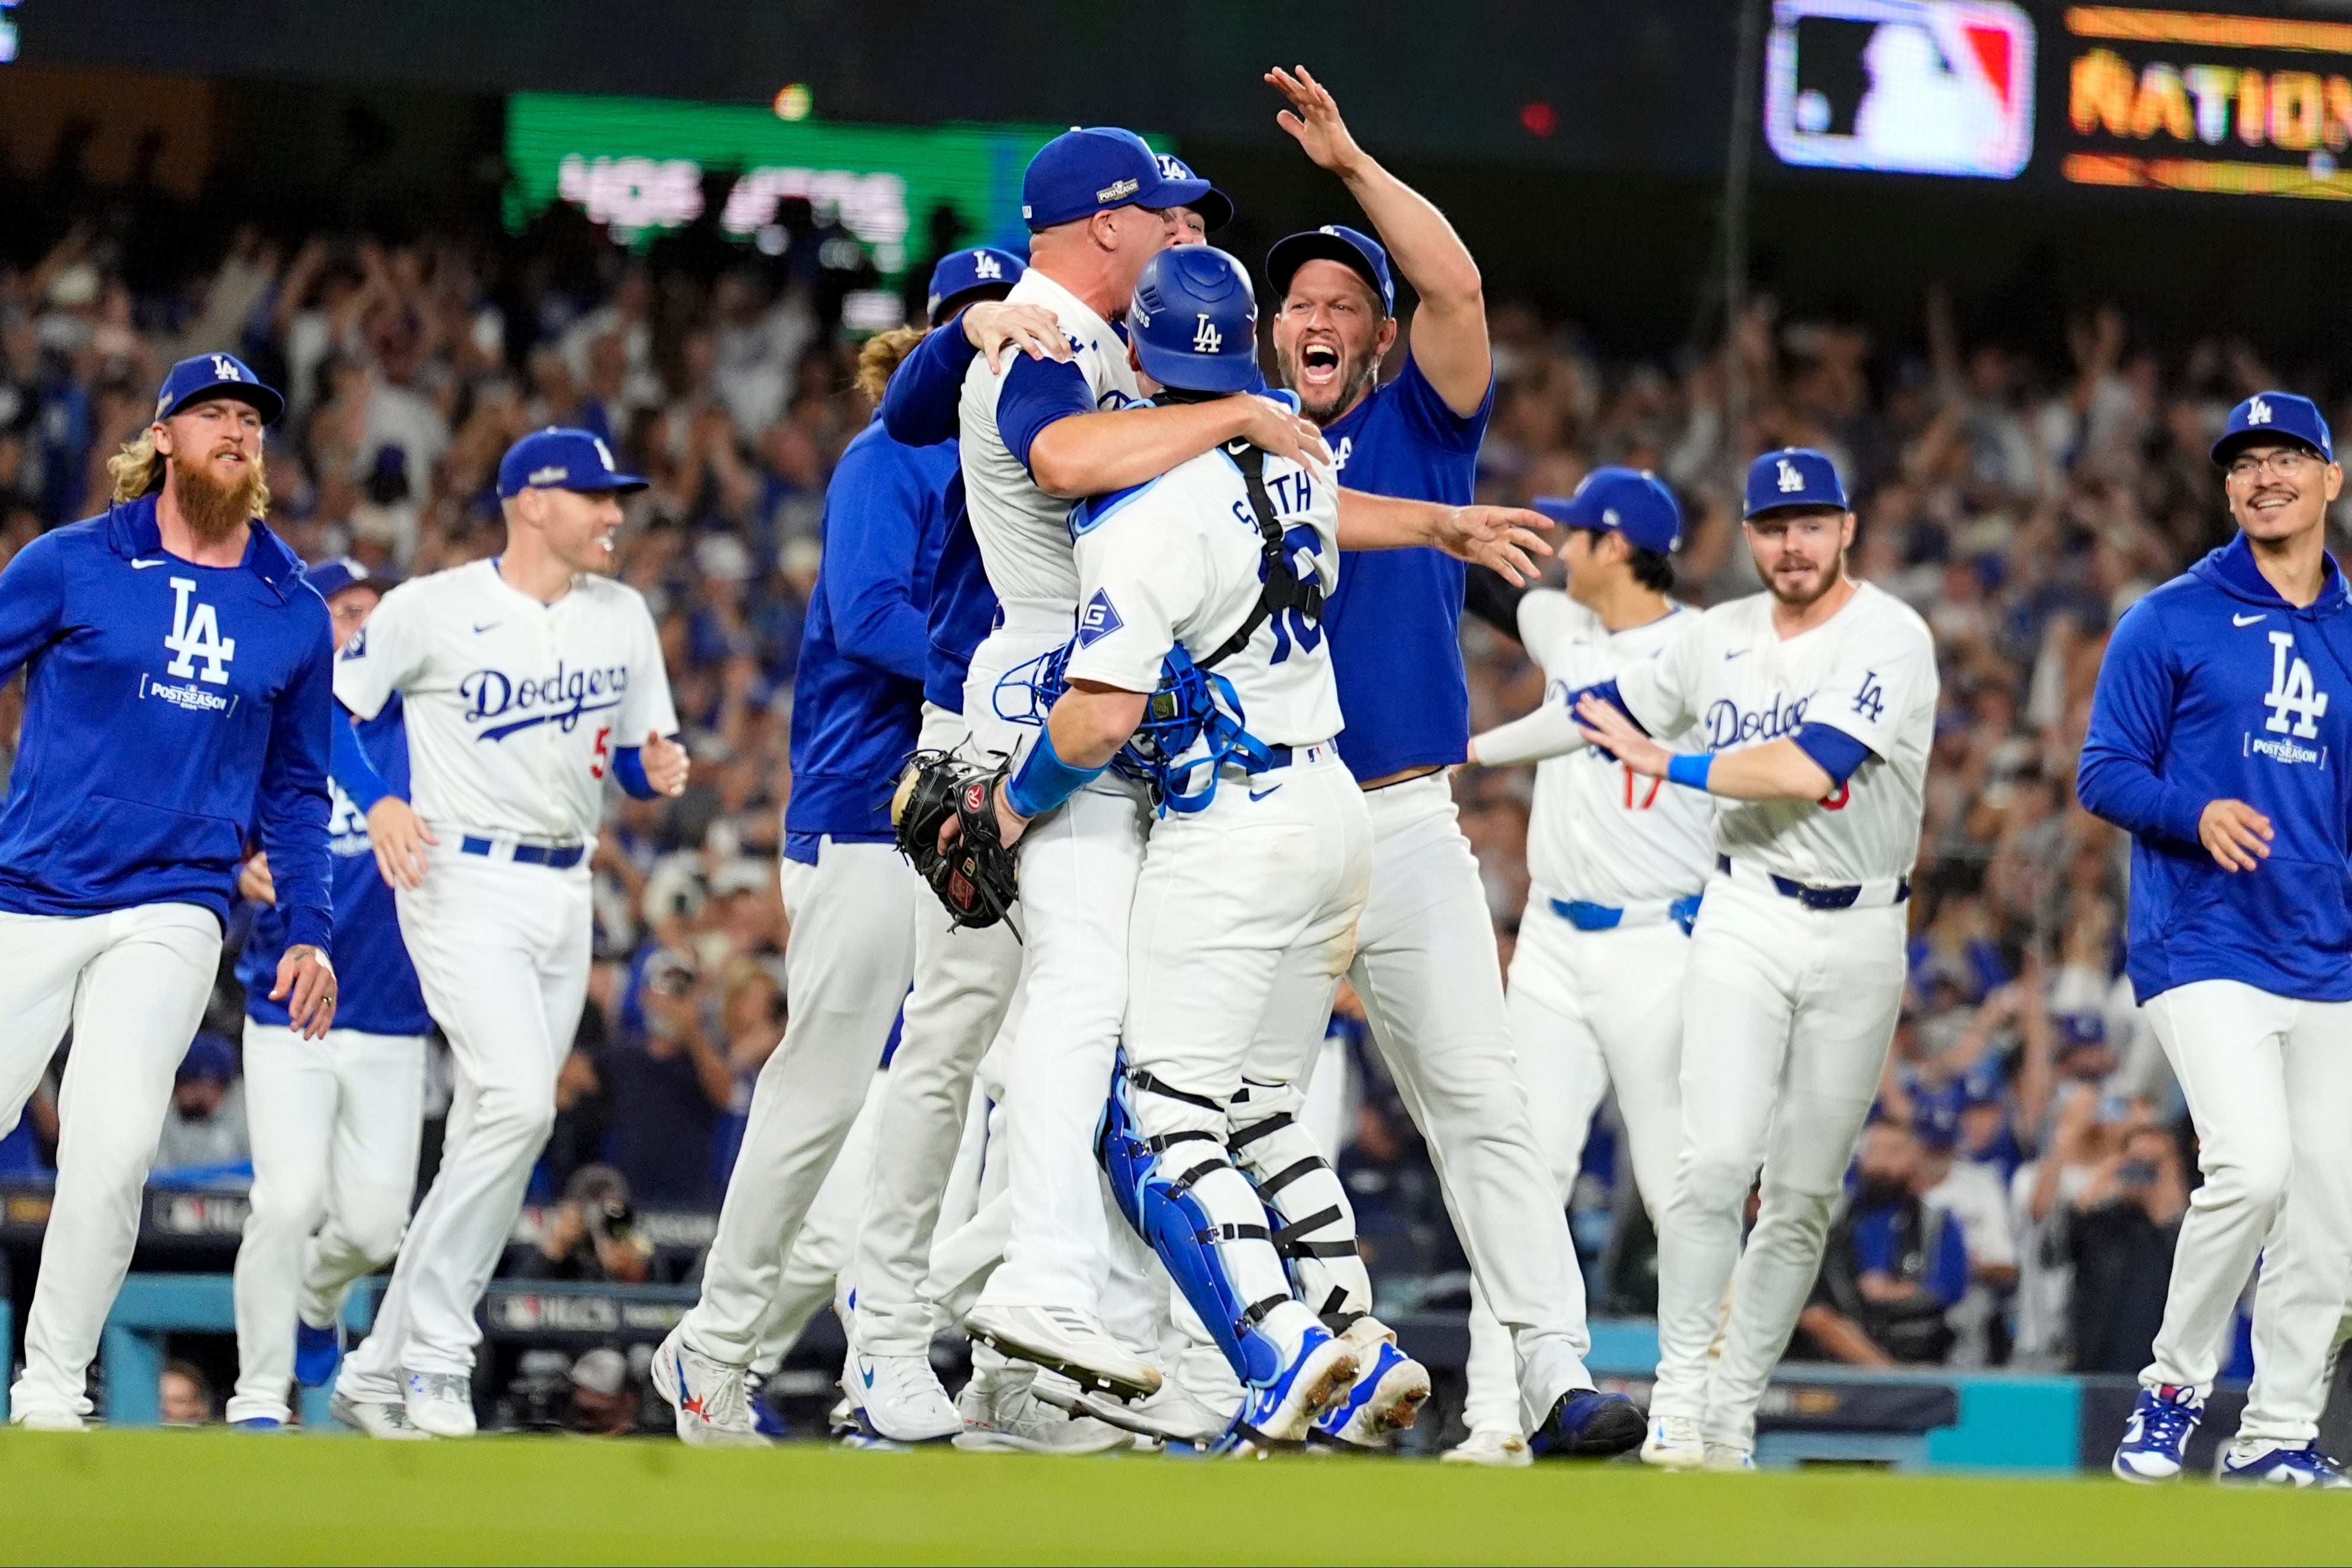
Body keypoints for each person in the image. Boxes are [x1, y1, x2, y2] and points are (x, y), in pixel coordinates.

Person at [1256, 64, 1639, 1458]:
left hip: (1408, 814)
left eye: (1348, 306)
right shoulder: (1230, 440)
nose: (1323, 319)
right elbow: (1302, 502)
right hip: (1261, 814)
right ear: (1267, 331)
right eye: (1300, 303)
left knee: (1483, 1103)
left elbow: (1460, 292)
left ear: (1376, 336)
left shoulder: (1420, 420)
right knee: (1238, 1104)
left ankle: (1552, 1376)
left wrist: (1353, 170)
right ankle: (1246, 1368)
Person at [1021, 243, 1427, 1449]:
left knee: (1159, 1119)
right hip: (1332, 804)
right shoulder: (1294, 454)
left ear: (1139, 357)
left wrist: (1013, 802)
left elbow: (1096, 716)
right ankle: (1358, 1329)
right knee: (1257, 1103)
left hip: (1237, 823)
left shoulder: (1143, 507)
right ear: (1245, 344)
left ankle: (1287, 1349)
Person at [653, 249, 1025, 1447]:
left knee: (962, 1097)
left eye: (1002, 318)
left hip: (973, 811)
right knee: (820, 1093)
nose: (988, 335)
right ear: (931, 338)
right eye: (965, 323)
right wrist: (1014, 679)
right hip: (869, 810)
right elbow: (867, 618)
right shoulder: (891, 455)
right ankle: (714, 1343)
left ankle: (901, 1348)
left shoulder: (1023, 466)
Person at [1570, 446, 1937, 1470]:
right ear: (1749, 537)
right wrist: (1454, 746)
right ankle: (1684, 1393)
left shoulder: (1891, 636)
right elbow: (1599, 713)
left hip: (1863, 930)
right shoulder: (1717, 637)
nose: (1793, 544)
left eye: (1812, 523)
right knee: (1716, 1161)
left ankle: (1735, 1400)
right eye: (1775, 527)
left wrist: (1672, 762)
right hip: (1745, 912)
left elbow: (1809, 764)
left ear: (1847, 529)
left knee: (1805, 1193)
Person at [327, 427, 687, 1440]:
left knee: (493, 1128)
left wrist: (649, 769)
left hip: (565, 889)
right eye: (595, 495)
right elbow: (332, 706)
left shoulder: (622, 614)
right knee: (524, 1103)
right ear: (533, 500)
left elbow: (626, 751)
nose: (615, 512)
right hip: (459, 876)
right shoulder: (431, 606)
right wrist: (379, 801)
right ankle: (440, 1353)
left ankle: (378, 1365)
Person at [0, 353, 337, 1433]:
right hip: (33, 885)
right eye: (214, 415)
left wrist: (309, 930)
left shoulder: (293, 606)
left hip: (175, 906)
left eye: (251, 419)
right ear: (160, 439)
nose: (239, 431)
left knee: (111, 1149)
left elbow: (296, 788)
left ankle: (51, 1386)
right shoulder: (69, 564)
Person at [2078, 391, 2352, 1488]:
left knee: (2333, 1208)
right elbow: (2103, 770)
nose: (2266, 474)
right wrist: (2194, 812)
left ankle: (2280, 1430)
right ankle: (2174, 1388)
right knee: (2250, 1166)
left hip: (2330, 957)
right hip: (2205, 943)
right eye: (2246, 462)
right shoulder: (2170, 617)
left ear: (2332, 480)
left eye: (2290, 456)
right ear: (2228, 487)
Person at [1454, 468, 1713, 1463]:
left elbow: (1592, 713)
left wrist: (1468, 745)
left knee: (1675, 1183)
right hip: (1556, 944)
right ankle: (1495, 1415)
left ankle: (1686, 1410)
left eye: (1577, 534)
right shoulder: (1567, 624)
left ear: (1620, 546)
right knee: (1518, 1171)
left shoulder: (1696, 648)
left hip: (1660, 943)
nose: (1560, 545)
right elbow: (1495, 584)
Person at [228, 557, 431, 1429]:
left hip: (391, 1016)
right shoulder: (273, 719)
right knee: (286, 1200)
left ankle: (317, 1298)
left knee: (378, 1228)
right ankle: (257, 1394)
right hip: (290, 1008)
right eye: (344, 609)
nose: (359, 626)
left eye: (370, 612)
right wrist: (237, 865)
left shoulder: (424, 724)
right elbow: (209, 815)